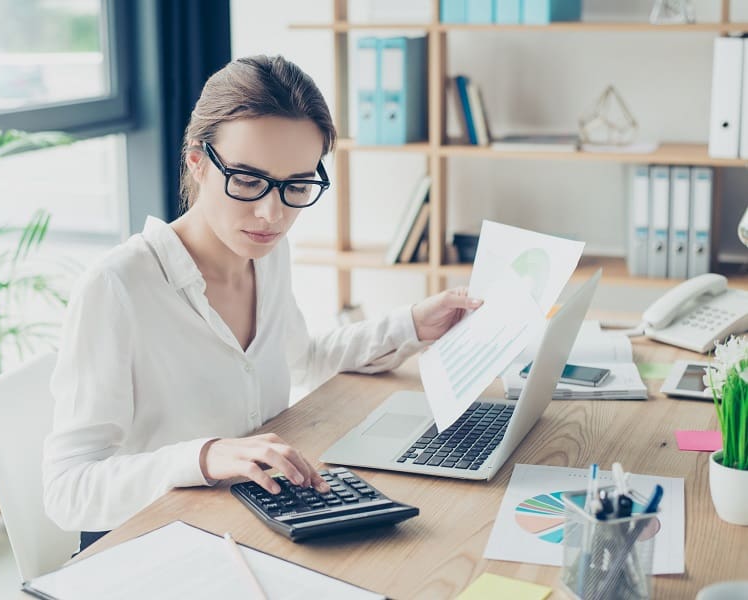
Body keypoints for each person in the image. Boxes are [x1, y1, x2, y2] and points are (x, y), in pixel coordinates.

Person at [43, 55, 482, 552]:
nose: (272, 214)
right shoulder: (117, 287)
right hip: (154, 545)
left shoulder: (267, 256)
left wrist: (411, 327)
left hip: (250, 525)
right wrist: (204, 457)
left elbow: (304, 360)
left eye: (296, 185)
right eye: (248, 180)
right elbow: (67, 490)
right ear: (197, 161)